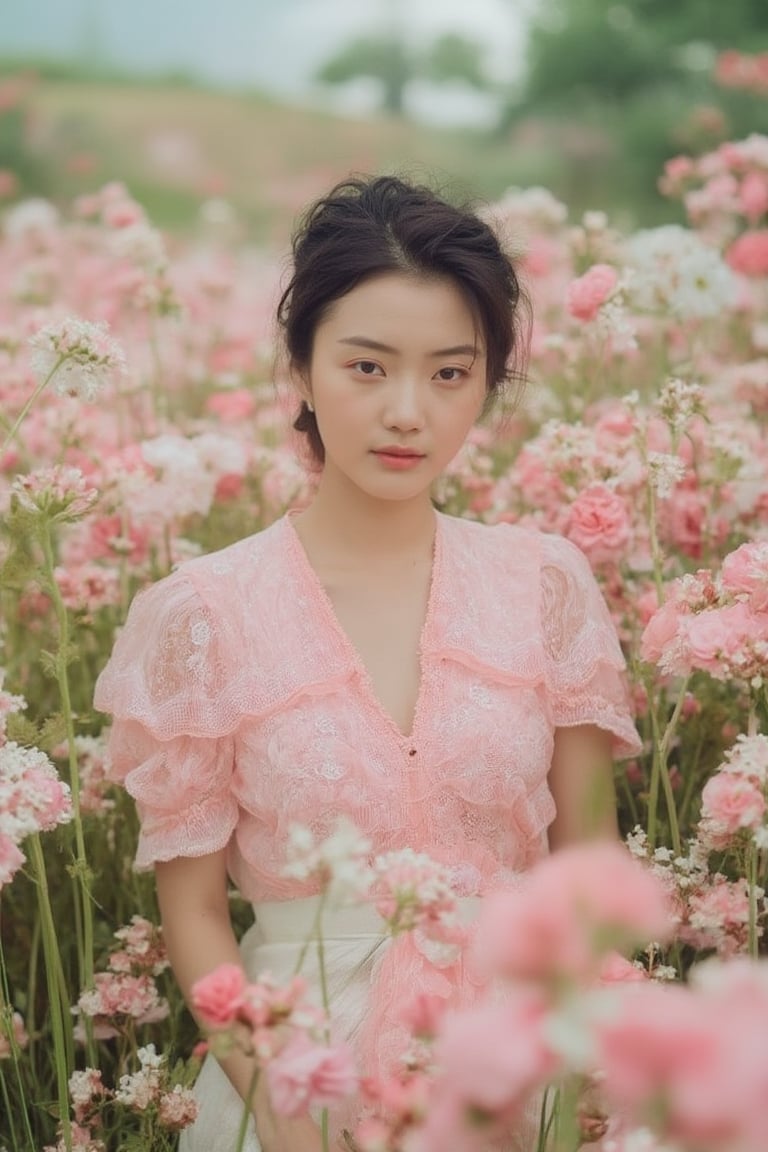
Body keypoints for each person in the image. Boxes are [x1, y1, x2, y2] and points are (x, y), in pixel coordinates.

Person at [94, 174, 642, 1151]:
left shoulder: (544, 584)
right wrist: (295, 1121)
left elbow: (589, 871)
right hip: (297, 1090)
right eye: (366, 367)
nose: (407, 412)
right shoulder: (203, 615)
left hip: (515, 1076)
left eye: (448, 373)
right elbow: (197, 918)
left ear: (488, 383)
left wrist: (590, 1060)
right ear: (299, 369)